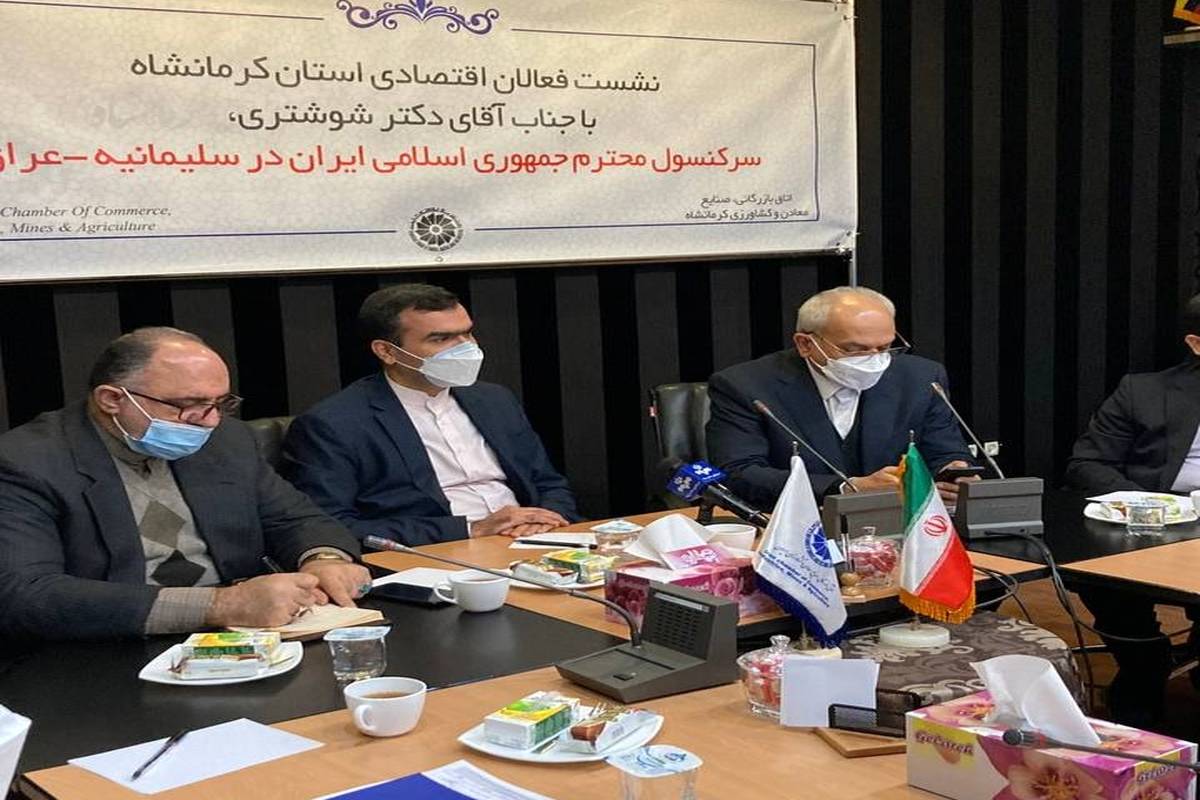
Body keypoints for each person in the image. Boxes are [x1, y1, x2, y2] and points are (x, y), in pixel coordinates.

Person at [0, 327, 369, 642]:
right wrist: (221, 605)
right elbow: (25, 594)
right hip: (109, 645)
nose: (209, 421)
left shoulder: (227, 441)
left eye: (219, 403)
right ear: (112, 399)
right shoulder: (25, 462)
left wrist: (323, 559)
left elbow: (296, 518)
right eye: (189, 405)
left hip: (246, 635)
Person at [282, 283, 580, 546]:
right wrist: (470, 530)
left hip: (534, 540)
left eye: (467, 333)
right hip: (443, 553)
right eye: (441, 339)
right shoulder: (334, 423)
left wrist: (546, 518)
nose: (466, 348)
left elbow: (547, 482)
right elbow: (331, 526)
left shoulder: (494, 399)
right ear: (387, 352)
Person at [706, 286, 975, 509]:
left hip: (900, 523)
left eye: (884, 347)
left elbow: (945, 451)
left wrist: (954, 472)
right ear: (805, 344)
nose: (874, 360)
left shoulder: (920, 377)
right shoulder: (745, 386)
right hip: (797, 526)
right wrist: (846, 488)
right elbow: (740, 473)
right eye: (855, 349)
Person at [1065, 293, 1200, 727]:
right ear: (1196, 344)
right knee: (1099, 576)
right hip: (1156, 522)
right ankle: (1144, 662)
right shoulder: (1144, 391)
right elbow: (1087, 464)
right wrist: (1148, 505)